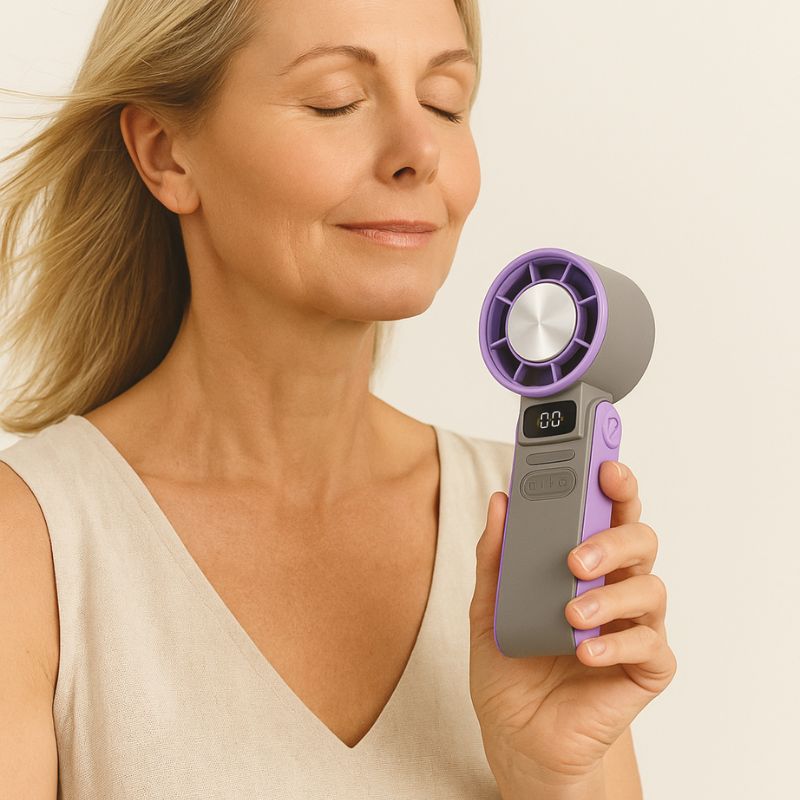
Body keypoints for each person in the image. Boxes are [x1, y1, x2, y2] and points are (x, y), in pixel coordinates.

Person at [0, 0, 675, 797]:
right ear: (166, 153)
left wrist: (552, 776)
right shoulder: (34, 541)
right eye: (337, 101)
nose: (420, 151)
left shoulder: (525, 528)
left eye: (445, 103)